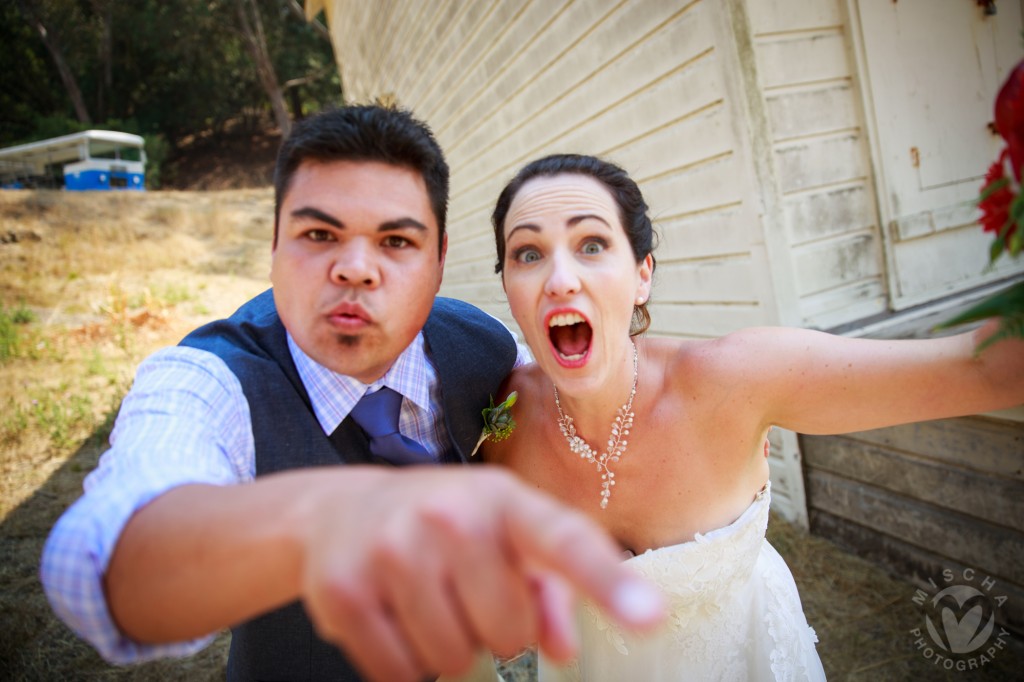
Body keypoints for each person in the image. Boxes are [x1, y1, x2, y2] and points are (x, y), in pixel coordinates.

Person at [39, 110, 666, 682]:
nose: (357, 268)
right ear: (275, 246)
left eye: (397, 241)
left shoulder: (488, 345)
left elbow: (569, 419)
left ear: (439, 259)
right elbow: (106, 558)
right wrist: (322, 522)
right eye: (319, 234)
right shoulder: (209, 380)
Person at [482, 153, 1024, 681]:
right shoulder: (499, 424)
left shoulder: (730, 380)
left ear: (642, 274)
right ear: (508, 286)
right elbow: (502, 634)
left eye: (592, 244)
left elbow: (985, 370)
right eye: (528, 253)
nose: (560, 279)